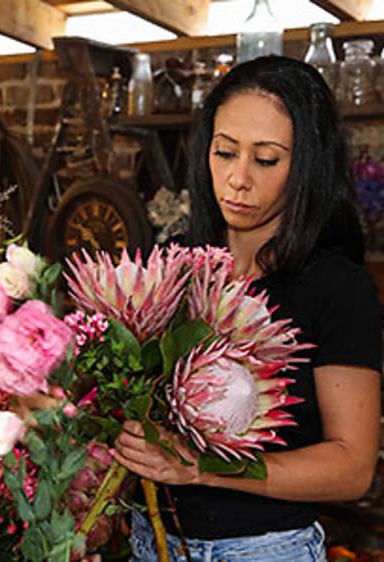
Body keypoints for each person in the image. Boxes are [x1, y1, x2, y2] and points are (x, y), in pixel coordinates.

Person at [114, 55, 382, 561]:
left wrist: (201, 467)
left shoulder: (336, 288)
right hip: (150, 543)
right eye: (224, 152)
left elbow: (351, 467)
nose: (237, 179)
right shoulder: (177, 265)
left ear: (306, 166)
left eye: (265, 160)